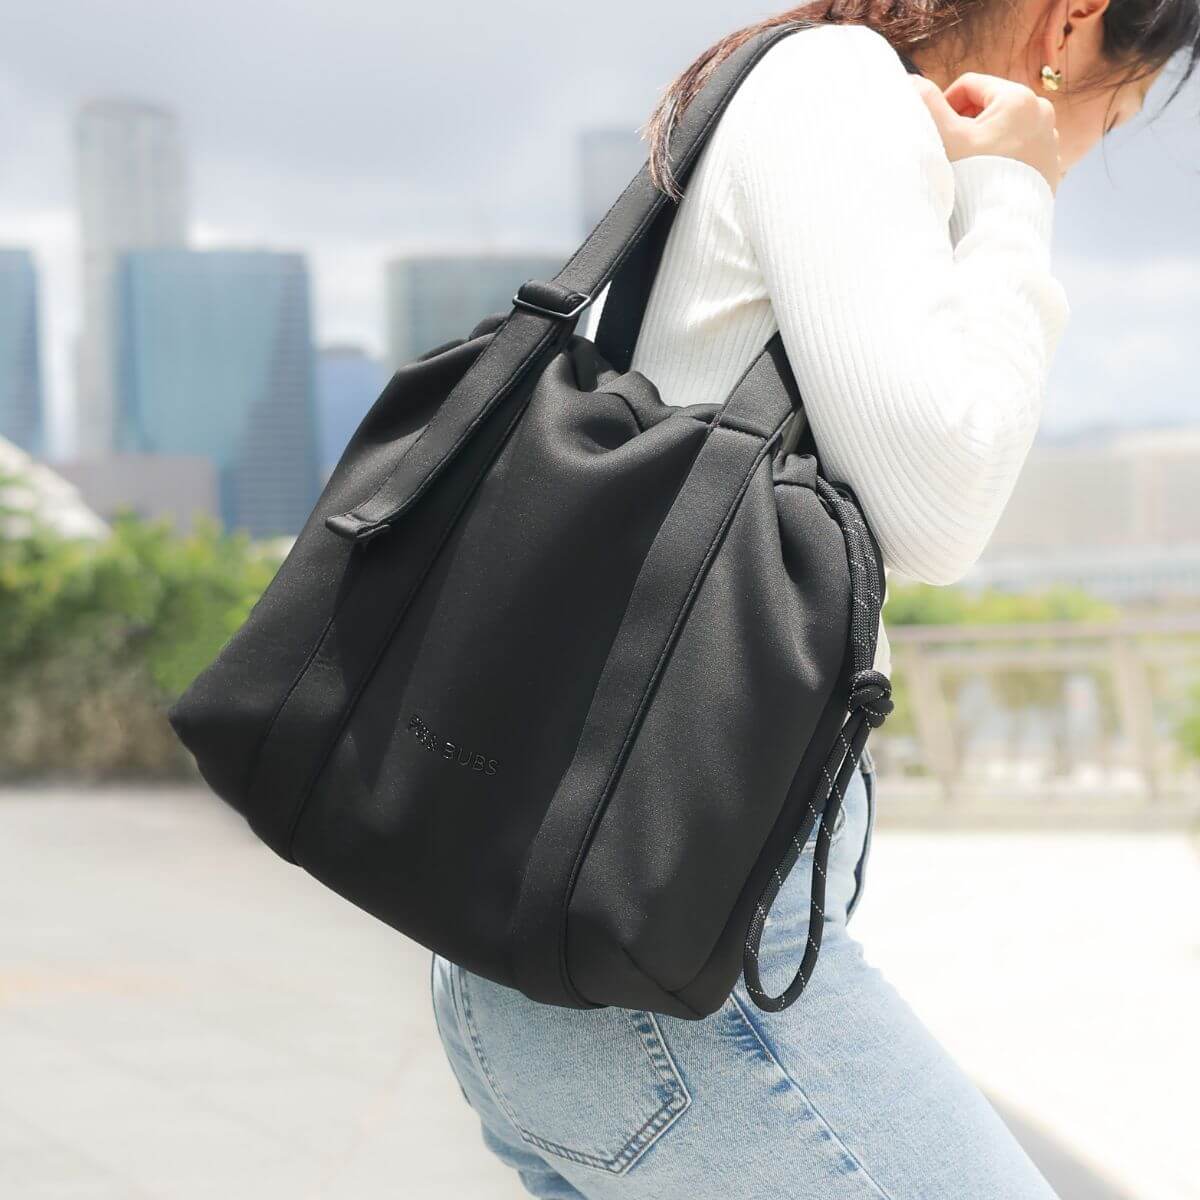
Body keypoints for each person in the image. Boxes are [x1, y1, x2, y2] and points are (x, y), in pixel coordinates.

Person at [430, 1, 1193, 1196]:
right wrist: (1013, 199)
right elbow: (944, 509)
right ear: (1074, 24)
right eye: (1124, 101)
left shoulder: (806, 99)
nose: (1093, 141)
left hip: (599, 943)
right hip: (668, 968)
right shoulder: (841, 95)